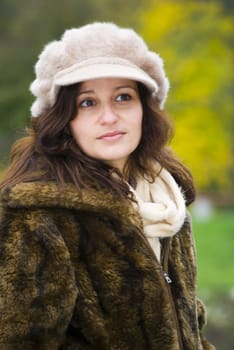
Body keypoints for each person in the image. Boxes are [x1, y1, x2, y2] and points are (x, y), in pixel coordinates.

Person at [0, 22, 215, 350]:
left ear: (144, 108)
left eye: (123, 97)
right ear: (63, 120)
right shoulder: (36, 216)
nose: (110, 117)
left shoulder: (166, 196)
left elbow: (188, 324)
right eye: (88, 103)